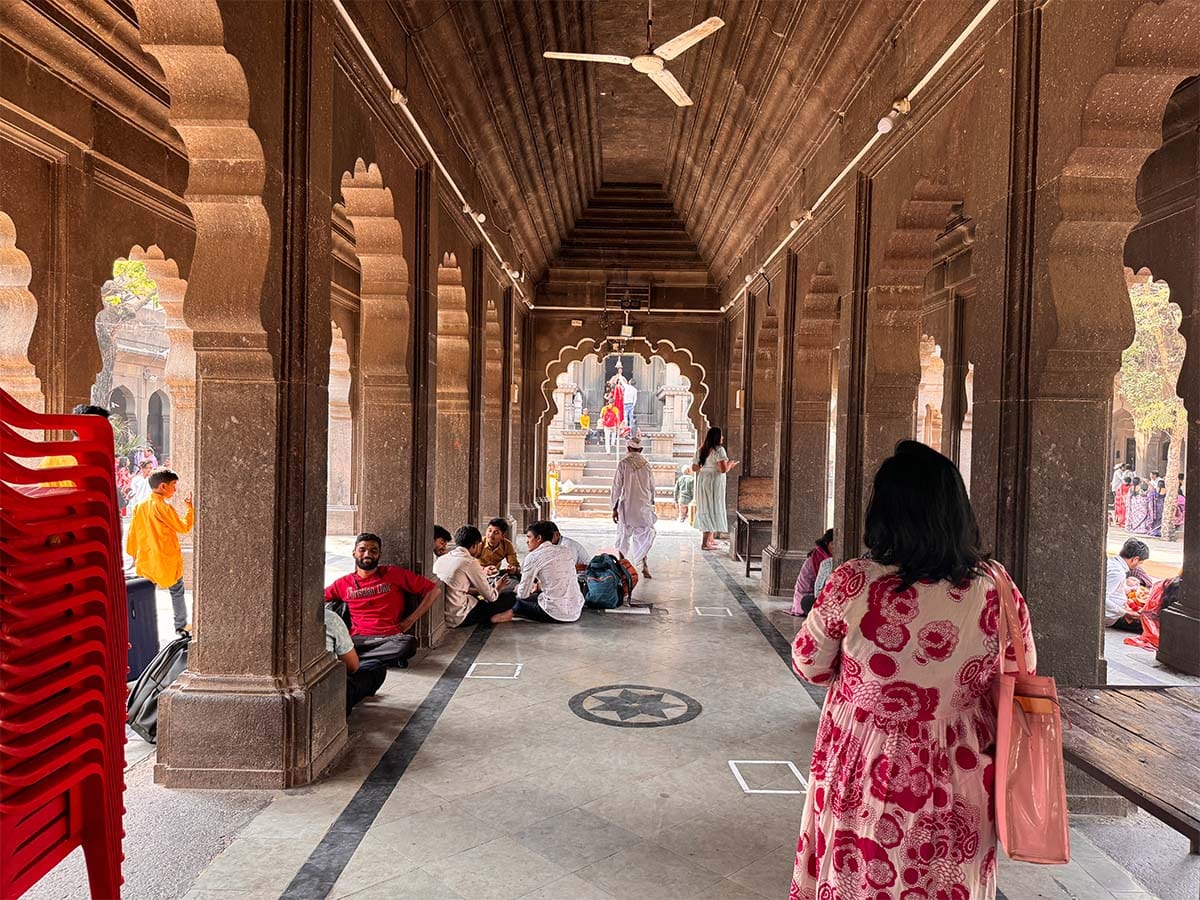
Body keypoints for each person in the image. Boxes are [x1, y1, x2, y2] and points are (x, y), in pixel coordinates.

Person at [790, 440, 1036, 900]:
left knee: (858, 877)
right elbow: (1020, 672)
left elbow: (809, 663)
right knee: (947, 879)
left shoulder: (855, 582)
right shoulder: (997, 588)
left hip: (863, 760)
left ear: (883, 512)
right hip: (961, 766)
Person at [324, 532, 440, 667]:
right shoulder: (343, 583)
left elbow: (434, 590)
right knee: (338, 643)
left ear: (379, 555)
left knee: (407, 644)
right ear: (354, 553)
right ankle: (377, 658)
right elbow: (316, 599)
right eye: (362, 550)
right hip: (357, 639)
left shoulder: (393, 573)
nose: (367, 554)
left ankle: (353, 658)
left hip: (389, 638)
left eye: (373, 551)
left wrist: (410, 620)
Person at [125, 467, 194, 634]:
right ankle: (181, 626)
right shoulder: (163, 507)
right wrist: (190, 509)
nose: (175, 489)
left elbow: (132, 533)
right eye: (174, 485)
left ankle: (140, 627)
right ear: (163, 486)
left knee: (145, 596)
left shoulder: (140, 507)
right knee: (176, 591)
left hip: (147, 559)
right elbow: (183, 527)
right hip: (166, 559)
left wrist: (133, 555)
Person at [492, 521, 584, 624]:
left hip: (554, 614)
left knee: (513, 600)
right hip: (576, 611)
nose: (527, 542)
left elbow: (523, 594)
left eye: (529, 537)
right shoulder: (564, 550)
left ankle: (508, 613)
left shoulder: (533, 557)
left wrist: (518, 589)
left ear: (539, 538)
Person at [434, 525, 518, 627]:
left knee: (479, 596)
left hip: (442, 616)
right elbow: (491, 597)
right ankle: (496, 616)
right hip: (460, 617)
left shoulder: (443, 558)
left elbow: (457, 587)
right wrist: (498, 587)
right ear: (474, 545)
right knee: (511, 597)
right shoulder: (470, 562)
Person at [323, 605, 387, 713]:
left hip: (380, 637)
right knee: (376, 666)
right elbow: (352, 667)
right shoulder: (328, 617)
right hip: (330, 697)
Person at [611, 436, 656, 579]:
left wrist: (614, 506)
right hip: (643, 506)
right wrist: (651, 502)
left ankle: (620, 566)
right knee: (643, 535)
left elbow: (617, 486)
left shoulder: (624, 463)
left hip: (628, 506)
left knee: (624, 536)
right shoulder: (646, 464)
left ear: (628, 449)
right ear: (641, 450)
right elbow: (651, 486)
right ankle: (644, 565)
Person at [692, 426, 739, 550]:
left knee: (706, 506)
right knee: (713, 506)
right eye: (721, 435)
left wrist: (706, 468)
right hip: (714, 481)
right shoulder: (719, 450)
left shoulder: (701, 449)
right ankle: (705, 543)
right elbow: (722, 470)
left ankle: (710, 539)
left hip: (703, 479)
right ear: (717, 437)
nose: (723, 437)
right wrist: (730, 465)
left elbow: (694, 468)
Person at [1105, 538, 1151, 632]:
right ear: (1135, 559)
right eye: (1140, 563)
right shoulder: (1118, 573)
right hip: (1113, 616)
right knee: (1152, 624)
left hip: (1120, 609)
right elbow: (1102, 598)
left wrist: (1130, 588)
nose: (1139, 566)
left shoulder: (1112, 563)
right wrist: (1125, 613)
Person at [788, 529, 833, 617]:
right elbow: (819, 588)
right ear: (827, 543)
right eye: (833, 544)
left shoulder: (820, 554)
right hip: (804, 598)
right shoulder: (822, 560)